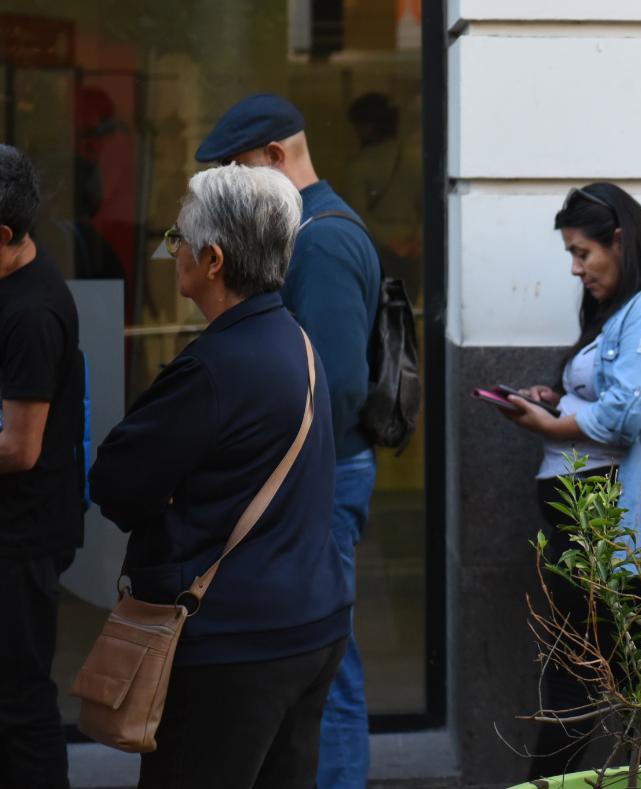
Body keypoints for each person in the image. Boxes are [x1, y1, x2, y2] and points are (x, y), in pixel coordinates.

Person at [89, 165, 350, 788]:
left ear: (212, 259)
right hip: (311, 625)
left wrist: (175, 491)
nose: (170, 249)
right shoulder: (297, 342)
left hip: (236, 644)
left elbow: (115, 485)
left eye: (177, 238)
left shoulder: (212, 368)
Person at [195, 93, 381, 789]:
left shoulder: (323, 237)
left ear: (276, 157)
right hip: (318, 471)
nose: (236, 187)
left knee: (328, 665)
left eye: (242, 169)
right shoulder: (307, 227)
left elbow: (333, 385)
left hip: (323, 473)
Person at [503, 182, 641, 780]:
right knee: (619, 682)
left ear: (618, 241)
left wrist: (553, 421)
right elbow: (607, 395)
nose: (575, 269)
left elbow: (626, 414)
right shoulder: (625, 311)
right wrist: (558, 397)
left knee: (583, 682)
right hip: (593, 530)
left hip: (617, 534)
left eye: (582, 253)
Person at [0, 144, 84, 789]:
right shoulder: (14, 281)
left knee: (20, 708)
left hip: (20, 543)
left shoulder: (31, 313)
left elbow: (18, 447)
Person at [345, 91, 423, 301]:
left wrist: (391, 242)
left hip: (380, 251)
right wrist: (415, 241)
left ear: (367, 127)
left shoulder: (359, 166)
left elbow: (356, 216)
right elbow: (428, 209)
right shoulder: (415, 159)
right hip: (412, 249)